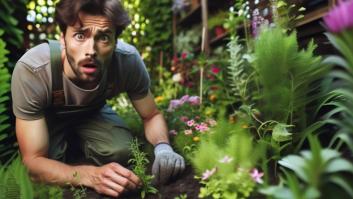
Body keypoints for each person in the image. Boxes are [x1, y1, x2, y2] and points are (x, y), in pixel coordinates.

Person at [11, 0, 185, 197]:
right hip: (48, 119)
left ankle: (81, 142)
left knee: (123, 151)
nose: (91, 50)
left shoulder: (127, 61)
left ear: (115, 42)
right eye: (79, 35)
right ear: (62, 39)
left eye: (103, 37)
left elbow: (151, 115)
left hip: (92, 113)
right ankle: (71, 146)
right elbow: (33, 162)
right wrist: (91, 176)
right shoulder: (33, 70)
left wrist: (163, 148)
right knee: (49, 165)